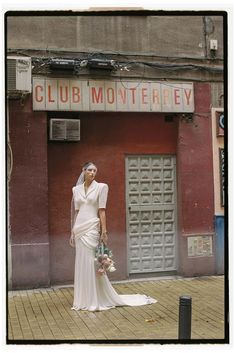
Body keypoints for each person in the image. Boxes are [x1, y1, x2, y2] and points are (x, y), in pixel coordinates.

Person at [70, 162, 157, 311]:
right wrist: (72, 231)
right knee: (81, 262)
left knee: (92, 263)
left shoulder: (101, 187)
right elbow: (77, 212)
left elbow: (102, 210)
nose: (92, 173)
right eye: (89, 170)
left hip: (92, 227)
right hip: (79, 229)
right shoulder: (75, 189)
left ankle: (95, 298)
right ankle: (83, 299)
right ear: (83, 171)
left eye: (95, 170)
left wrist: (104, 231)